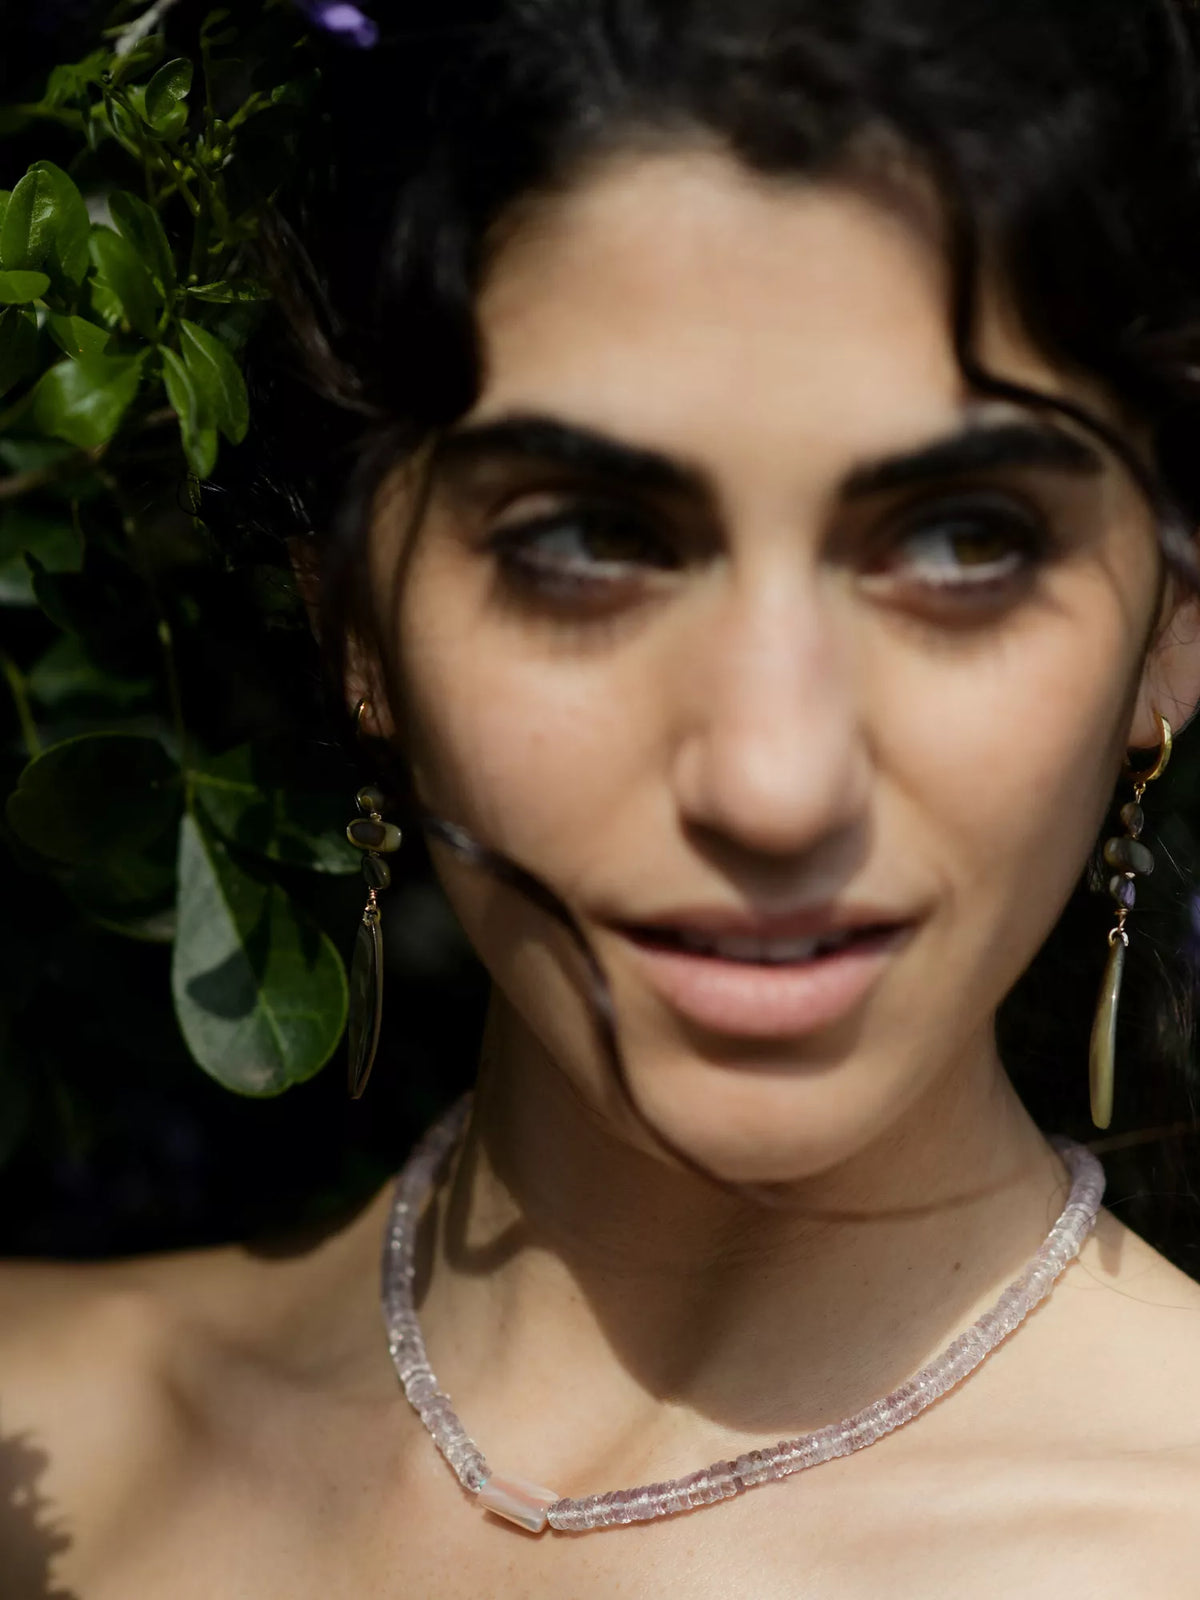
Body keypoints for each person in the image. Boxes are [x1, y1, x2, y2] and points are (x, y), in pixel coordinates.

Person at [6, 1, 1200, 1593]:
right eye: (588, 541)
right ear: (351, 615)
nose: (773, 785)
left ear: (1172, 632)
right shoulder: (45, 1432)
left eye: (963, 541)